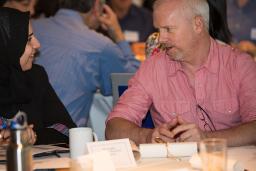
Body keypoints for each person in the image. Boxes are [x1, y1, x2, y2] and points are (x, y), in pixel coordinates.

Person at [106, 0, 256, 147]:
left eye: (168, 29)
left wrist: (206, 139)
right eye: (158, 30)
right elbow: (113, 127)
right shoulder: (153, 68)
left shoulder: (239, 65)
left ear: (197, 24)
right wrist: (148, 136)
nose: (161, 39)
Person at [32, 0, 140, 127]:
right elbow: (134, 81)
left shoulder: (30, 28)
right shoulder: (100, 45)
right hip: (63, 139)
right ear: (96, 6)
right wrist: (119, 36)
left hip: (22, 129)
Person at [0, 7, 76, 145]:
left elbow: (67, 129)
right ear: (7, 45)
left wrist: (32, 136)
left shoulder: (35, 76)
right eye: (28, 39)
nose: (37, 44)